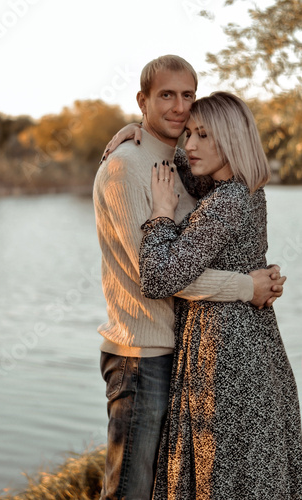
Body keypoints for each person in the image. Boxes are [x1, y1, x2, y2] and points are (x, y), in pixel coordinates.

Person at [93, 55, 286, 500]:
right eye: (166, 95)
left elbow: (204, 242)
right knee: (131, 491)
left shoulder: (189, 167)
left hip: (188, 349)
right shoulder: (126, 167)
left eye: (187, 96)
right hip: (142, 355)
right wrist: (248, 286)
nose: (180, 109)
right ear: (142, 100)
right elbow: (157, 275)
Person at [137, 91, 302, 499]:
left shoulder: (225, 202)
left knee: (222, 474)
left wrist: (160, 213)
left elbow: (158, 279)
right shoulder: (243, 188)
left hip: (225, 351)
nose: (189, 145)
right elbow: (183, 165)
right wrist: (138, 131)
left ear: (230, 139)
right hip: (251, 341)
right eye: (188, 133)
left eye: (203, 135)